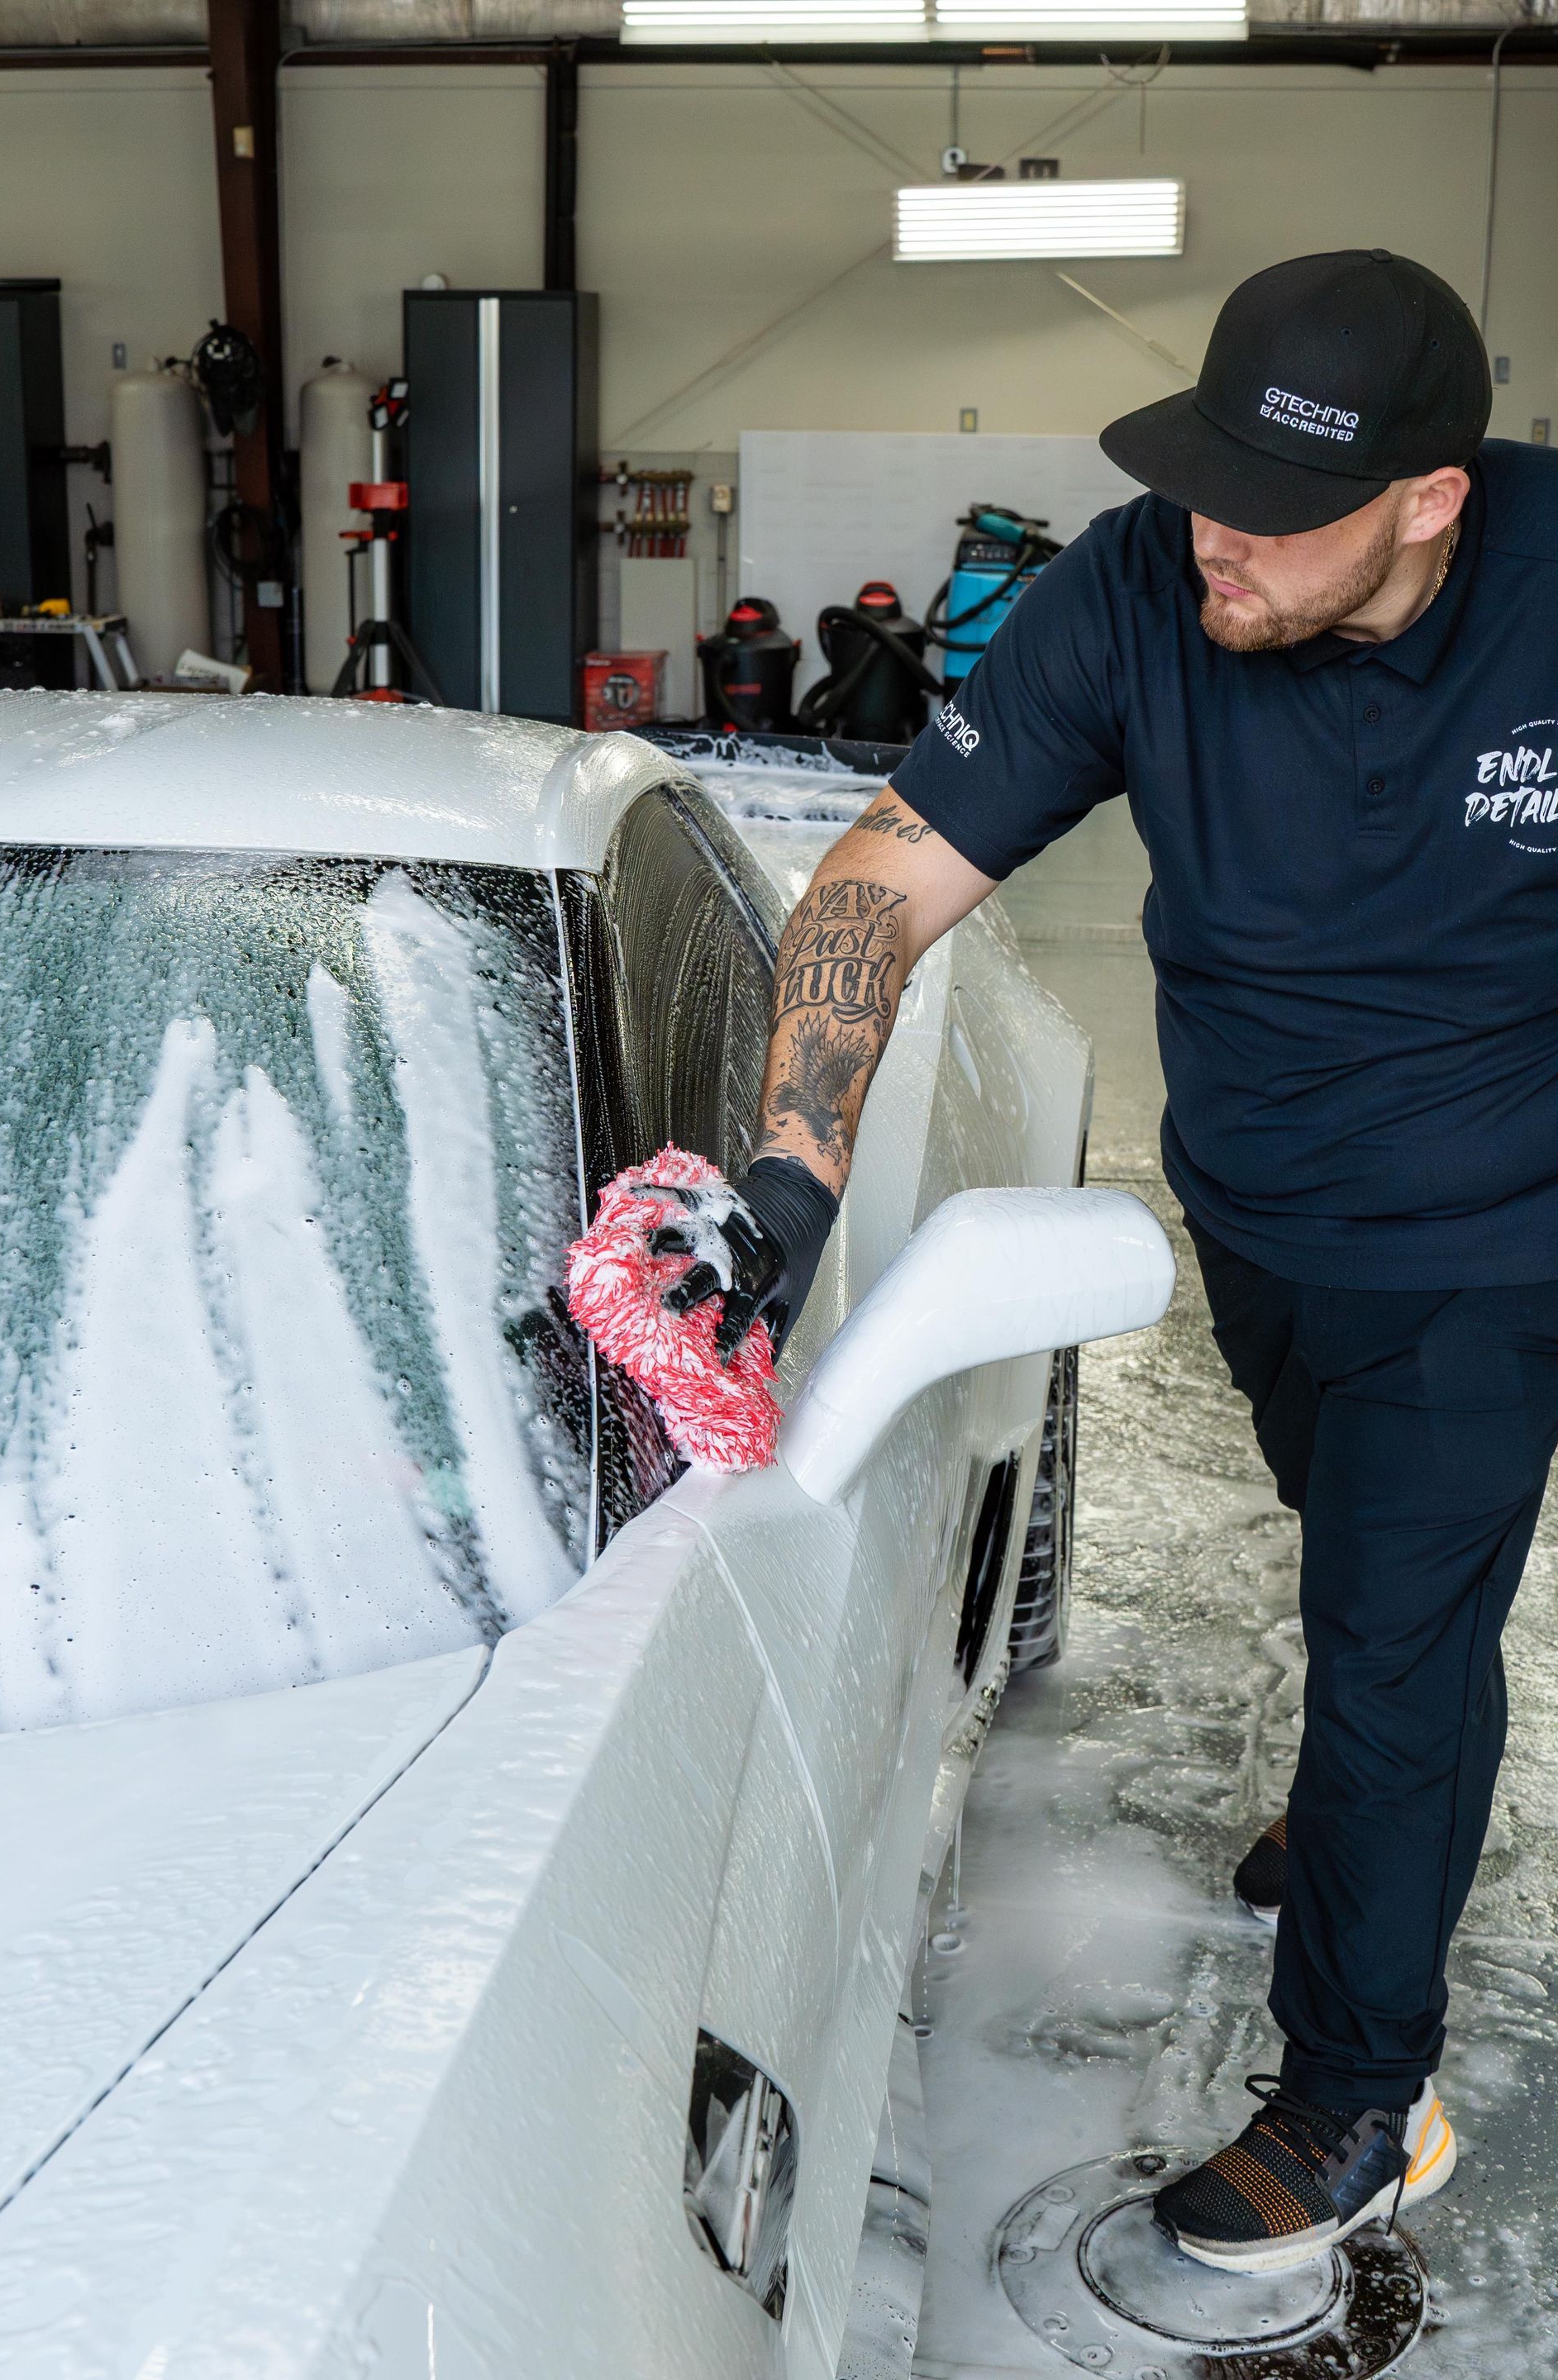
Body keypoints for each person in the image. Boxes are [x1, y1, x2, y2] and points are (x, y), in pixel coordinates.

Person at [651, 245, 1558, 2276]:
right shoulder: (1146, 585)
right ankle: (1359, 1838)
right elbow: (881, 883)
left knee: (1400, 1642)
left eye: (1278, 506)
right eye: (1204, 480)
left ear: (1434, 497)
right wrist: (791, 1170)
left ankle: (1351, 2098)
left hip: (1504, 1239)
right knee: (1366, 1577)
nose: (1217, 535)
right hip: (1265, 1210)